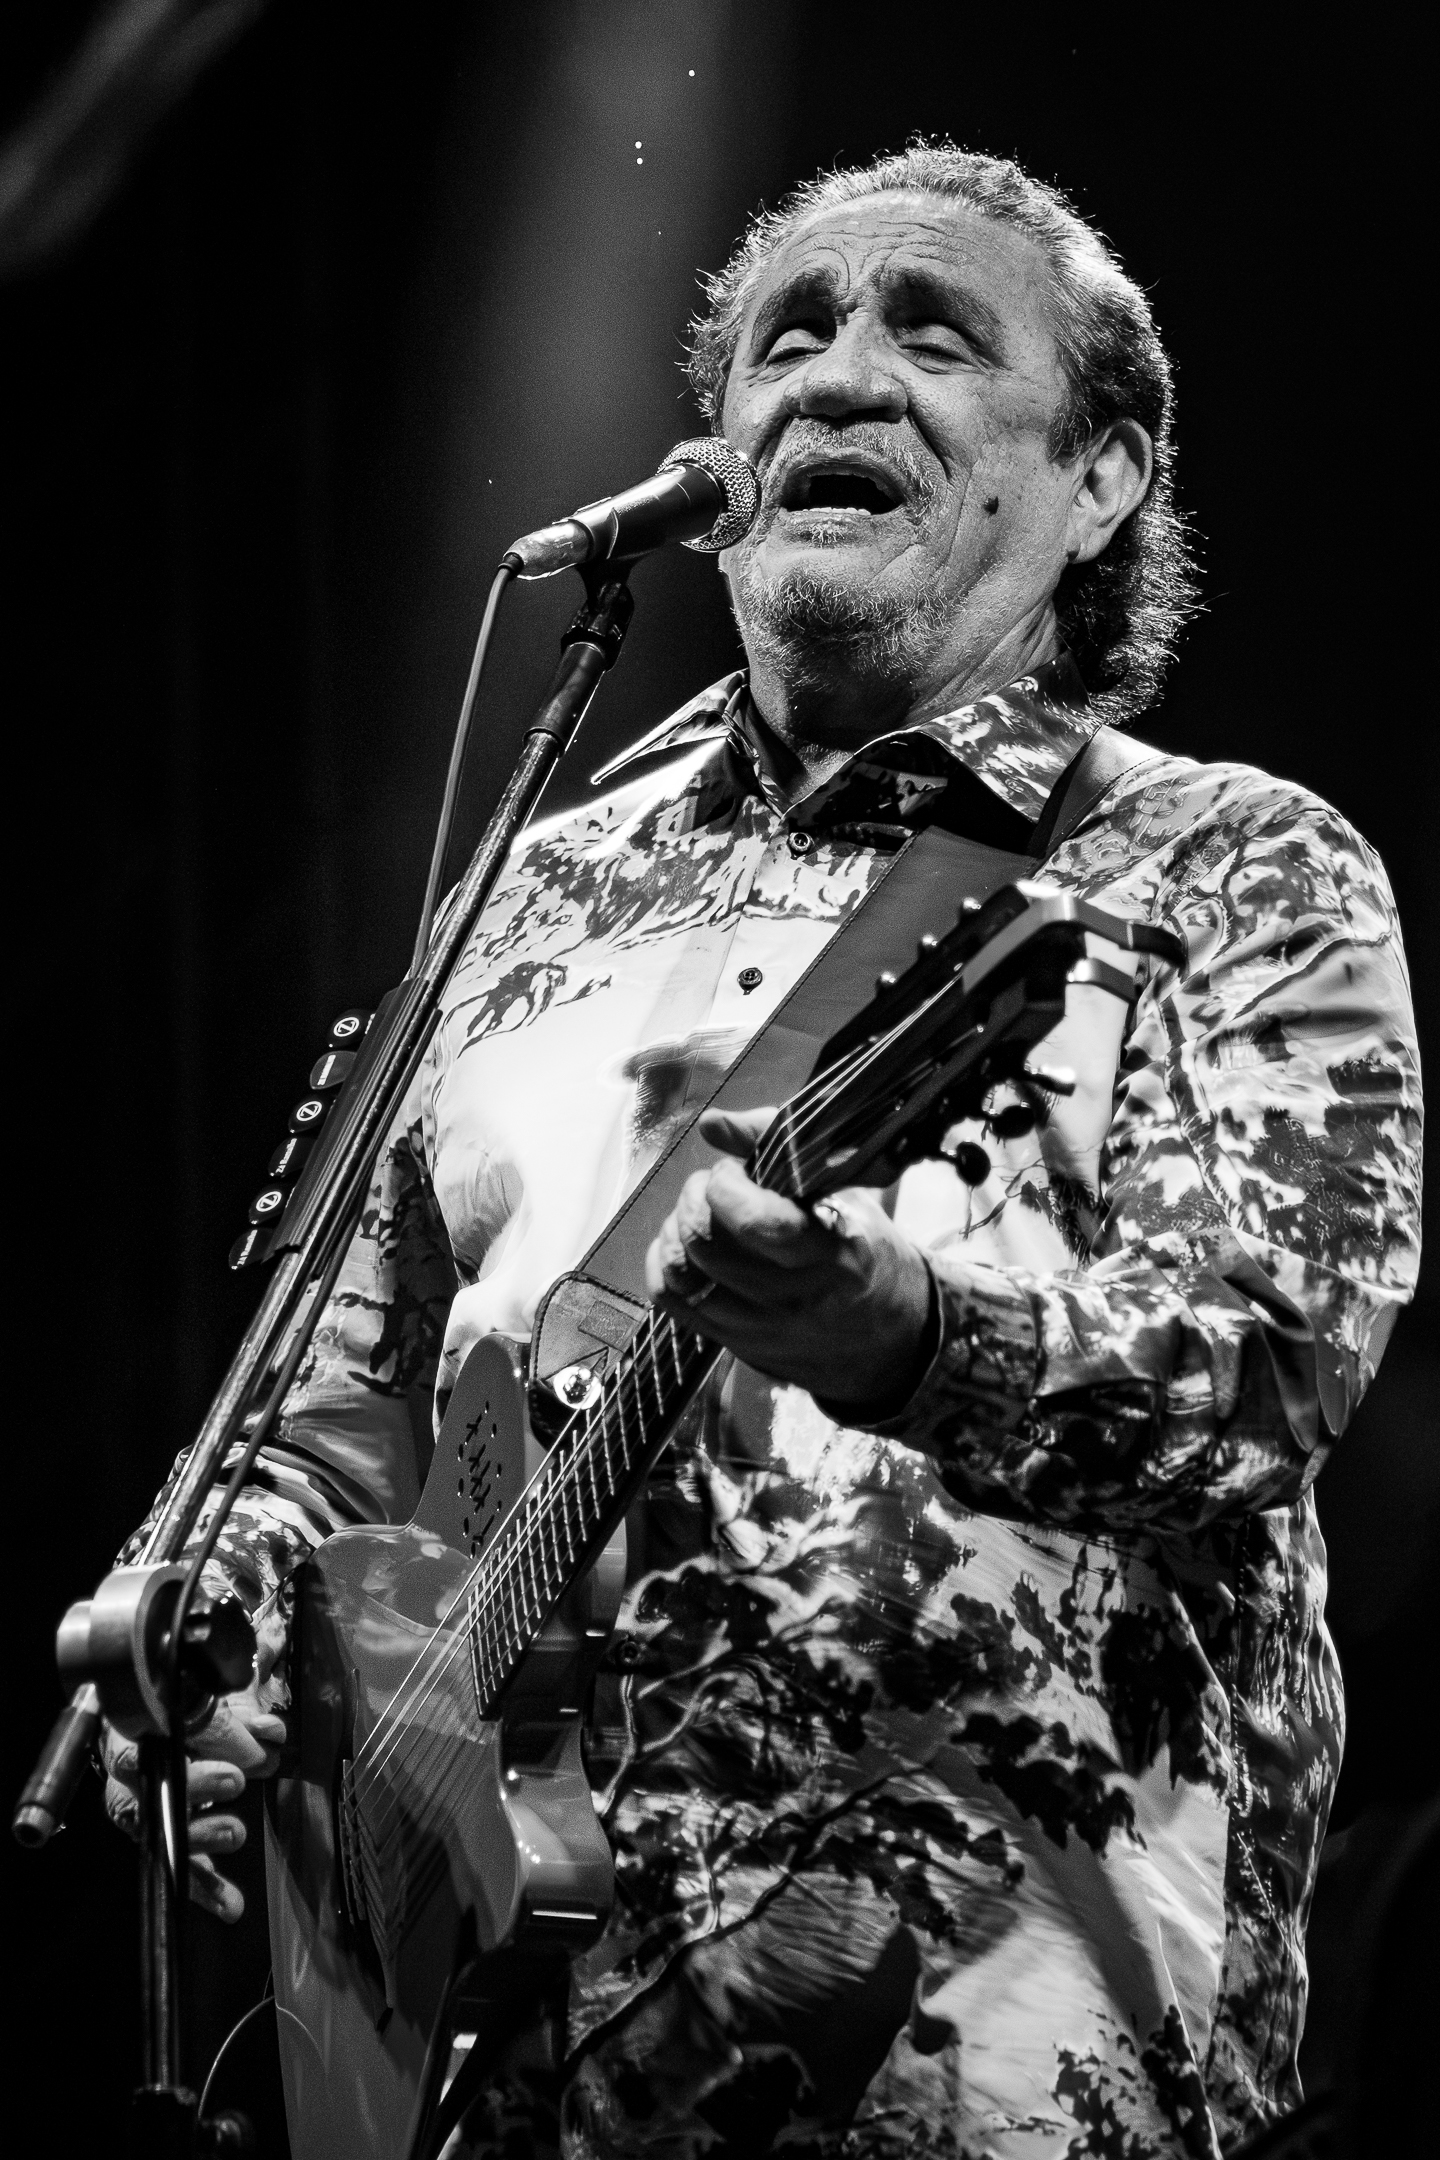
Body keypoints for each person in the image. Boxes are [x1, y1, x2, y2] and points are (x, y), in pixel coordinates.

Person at [105, 143, 1421, 2157]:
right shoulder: (520, 899)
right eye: (788, 337)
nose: (841, 373)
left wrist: (908, 1334)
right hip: (501, 2068)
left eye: (935, 334)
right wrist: (224, 1630)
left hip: (996, 2063)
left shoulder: (1228, 864)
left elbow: (1268, 1371)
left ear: (1102, 481)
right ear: (717, 462)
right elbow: (334, 1417)